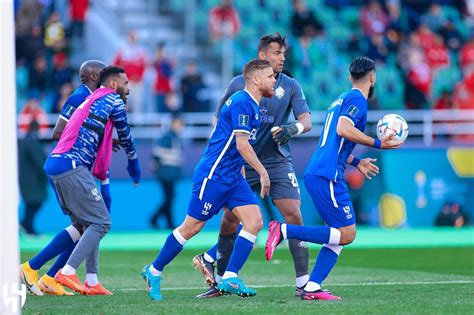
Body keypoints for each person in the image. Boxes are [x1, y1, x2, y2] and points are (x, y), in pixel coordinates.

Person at [265, 56, 402, 301]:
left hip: (322, 171)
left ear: (350, 77)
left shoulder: (339, 99)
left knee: (338, 235)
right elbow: (343, 129)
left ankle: (312, 287)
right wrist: (378, 143)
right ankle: (284, 230)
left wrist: (358, 162)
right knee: (347, 234)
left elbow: (334, 142)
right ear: (372, 77)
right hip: (327, 175)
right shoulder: (357, 99)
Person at [141, 59, 275, 301]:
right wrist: (263, 172)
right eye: (271, 76)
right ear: (256, 79)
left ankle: (230, 276)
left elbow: (235, 147)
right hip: (213, 176)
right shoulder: (242, 102)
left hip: (233, 177)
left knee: (254, 221)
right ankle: (153, 271)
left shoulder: (254, 106)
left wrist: (242, 175)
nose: (275, 80)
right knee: (191, 228)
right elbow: (241, 144)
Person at [193, 33, 312, 299]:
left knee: (293, 215)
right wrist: (224, 158)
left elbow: (308, 119)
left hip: (277, 160)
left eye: (283, 53)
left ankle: (304, 284)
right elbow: (217, 121)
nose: (282, 57)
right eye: (276, 53)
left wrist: (294, 127)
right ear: (262, 57)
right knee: (230, 221)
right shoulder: (239, 84)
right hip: (241, 162)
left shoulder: (291, 85)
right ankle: (221, 279)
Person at [20, 66, 141, 296]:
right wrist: (134, 165)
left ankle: (32, 268)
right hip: (72, 165)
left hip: (59, 163)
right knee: (101, 222)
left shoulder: (90, 97)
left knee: (83, 225)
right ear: (113, 85)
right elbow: (126, 135)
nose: (129, 88)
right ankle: (66, 271)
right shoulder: (112, 99)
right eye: (126, 83)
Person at [150, 114, 184, 229]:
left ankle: (168, 222)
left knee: (170, 197)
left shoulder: (175, 137)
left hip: (171, 173)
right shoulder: (168, 137)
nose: (180, 126)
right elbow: (158, 153)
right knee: (170, 197)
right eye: (178, 123)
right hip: (165, 173)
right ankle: (155, 218)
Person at [18, 120, 48, 235]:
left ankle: (26, 224)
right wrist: (45, 172)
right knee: (34, 202)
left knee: (32, 202)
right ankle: (27, 225)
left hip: (30, 178)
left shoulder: (28, 140)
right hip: (32, 178)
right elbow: (38, 160)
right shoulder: (31, 141)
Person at [113, 31, 147, 113]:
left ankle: (137, 123)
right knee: (125, 102)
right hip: (126, 82)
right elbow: (115, 65)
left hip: (137, 82)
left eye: (134, 38)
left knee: (137, 103)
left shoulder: (141, 51)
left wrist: (140, 77)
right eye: (131, 37)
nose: (133, 40)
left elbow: (144, 66)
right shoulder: (123, 50)